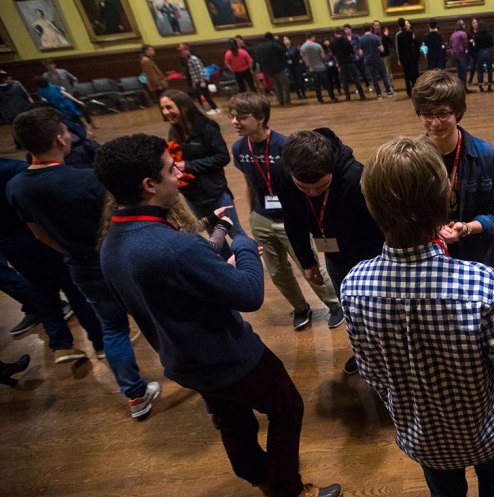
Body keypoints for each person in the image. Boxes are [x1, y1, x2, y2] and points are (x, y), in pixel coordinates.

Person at [94, 133, 341, 497]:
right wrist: (241, 242)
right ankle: (288, 490)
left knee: (232, 422)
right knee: (287, 409)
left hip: (182, 361)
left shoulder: (110, 244)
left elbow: (173, 289)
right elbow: (249, 294)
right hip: (230, 357)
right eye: (168, 169)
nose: (178, 171)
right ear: (149, 185)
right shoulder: (174, 247)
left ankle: (260, 478)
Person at [343, 135, 494, 497]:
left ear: (372, 205)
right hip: (487, 432)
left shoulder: (353, 286)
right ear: (443, 202)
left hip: (422, 437)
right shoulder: (481, 284)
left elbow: (371, 373)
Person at [7, 107, 160, 418]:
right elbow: (118, 223)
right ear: (61, 138)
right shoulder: (87, 180)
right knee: (155, 319)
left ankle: (135, 396)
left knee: (112, 330)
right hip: (118, 261)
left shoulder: (16, 186)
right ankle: (186, 369)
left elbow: (37, 233)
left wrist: (70, 251)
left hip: (79, 266)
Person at [272, 129, 384, 375]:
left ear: (331, 168)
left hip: (369, 254)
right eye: (304, 188)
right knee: (351, 311)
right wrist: (307, 261)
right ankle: (363, 354)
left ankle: (383, 357)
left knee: (377, 312)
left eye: (321, 186)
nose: (313, 193)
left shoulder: (357, 177)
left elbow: (379, 229)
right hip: (334, 254)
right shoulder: (281, 172)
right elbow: (292, 218)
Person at [230, 92, 343, 331]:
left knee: (309, 264)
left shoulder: (285, 145)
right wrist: (252, 215)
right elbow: (249, 183)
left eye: (241, 116)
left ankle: (335, 305)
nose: (234, 122)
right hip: (262, 218)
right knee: (277, 271)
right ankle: (301, 308)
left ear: (260, 118)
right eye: (232, 116)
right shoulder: (239, 148)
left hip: (290, 219)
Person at [1, 157, 103, 362]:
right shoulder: (13, 170)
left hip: (11, 246)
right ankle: (100, 342)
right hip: (39, 237)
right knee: (73, 288)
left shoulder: (13, 173)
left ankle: (60, 345)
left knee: (42, 291)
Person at [413, 70, 494, 273]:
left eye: (442, 113)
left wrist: (466, 228)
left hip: (480, 259)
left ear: (457, 112)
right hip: (431, 261)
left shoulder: (489, 154)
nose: (435, 123)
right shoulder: (411, 160)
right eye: (427, 114)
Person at [160, 89, 241, 235]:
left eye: (169, 107)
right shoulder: (174, 132)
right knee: (214, 235)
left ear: (184, 107)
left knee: (236, 233)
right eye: (163, 108)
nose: (165, 112)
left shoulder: (207, 127)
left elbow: (223, 157)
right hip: (192, 196)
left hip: (215, 192)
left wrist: (188, 165)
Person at [177, 43, 219, 114]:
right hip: (196, 80)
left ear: (186, 50)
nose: (181, 53)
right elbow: (192, 72)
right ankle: (203, 108)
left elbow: (200, 70)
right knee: (197, 95)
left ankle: (215, 108)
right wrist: (194, 82)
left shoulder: (193, 59)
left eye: (182, 51)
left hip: (201, 79)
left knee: (206, 94)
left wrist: (202, 81)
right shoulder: (187, 59)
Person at [254, 32, 291, 108]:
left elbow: (257, 58)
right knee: (285, 83)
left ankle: (280, 101)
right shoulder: (273, 45)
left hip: (267, 70)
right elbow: (283, 50)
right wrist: (278, 40)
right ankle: (286, 102)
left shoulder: (259, 46)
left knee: (276, 84)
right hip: (277, 68)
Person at [330, 27, 367, 101]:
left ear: (335, 33)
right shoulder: (346, 40)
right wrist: (355, 55)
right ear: (341, 32)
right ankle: (361, 95)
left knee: (344, 81)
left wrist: (337, 62)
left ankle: (348, 96)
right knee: (356, 79)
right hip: (350, 61)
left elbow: (334, 54)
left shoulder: (333, 43)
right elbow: (351, 51)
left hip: (341, 63)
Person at [359, 24, 394, 97]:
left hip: (367, 60)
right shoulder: (375, 37)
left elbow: (360, 52)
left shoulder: (361, 39)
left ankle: (378, 94)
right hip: (377, 58)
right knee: (383, 75)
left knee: (373, 77)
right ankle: (388, 91)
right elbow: (382, 49)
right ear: (370, 28)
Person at [300, 33, 335, 104]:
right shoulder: (317, 45)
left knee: (317, 85)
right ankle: (332, 97)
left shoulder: (302, 47)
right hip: (321, 67)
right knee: (327, 84)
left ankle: (320, 99)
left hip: (312, 68)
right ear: (312, 37)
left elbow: (303, 58)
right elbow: (323, 57)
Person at [395, 18, 421, 97]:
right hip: (412, 56)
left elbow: (398, 48)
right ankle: (416, 89)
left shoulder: (398, 35)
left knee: (406, 74)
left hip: (403, 57)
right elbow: (414, 43)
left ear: (399, 25)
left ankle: (409, 91)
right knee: (414, 72)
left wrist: (399, 59)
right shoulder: (410, 32)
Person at [472, 22, 494, 92]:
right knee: (489, 69)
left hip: (480, 52)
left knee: (480, 70)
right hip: (488, 51)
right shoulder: (489, 34)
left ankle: (480, 85)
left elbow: (476, 46)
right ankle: (490, 84)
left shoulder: (477, 35)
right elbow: (491, 43)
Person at [283, 36, 307, 100]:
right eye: (284, 40)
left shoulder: (294, 47)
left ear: (289, 40)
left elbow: (292, 54)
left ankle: (303, 93)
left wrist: (286, 54)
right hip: (289, 67)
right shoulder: (283, 48)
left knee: (299, 80)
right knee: (294, 81)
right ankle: (298, 94)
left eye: (286, 39)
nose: (285, 41)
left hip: (297, 66)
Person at [449, 19, 470, 88]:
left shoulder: (453, 34)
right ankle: (464, 87)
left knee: (459, 71)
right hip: (461, 53)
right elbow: (465, 44)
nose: (465, 26)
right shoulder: (463, 33)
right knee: (464, 70)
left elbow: (451, 44)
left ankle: (460, 86)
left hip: (454, 54)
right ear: (461, 25)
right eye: (463, 24)